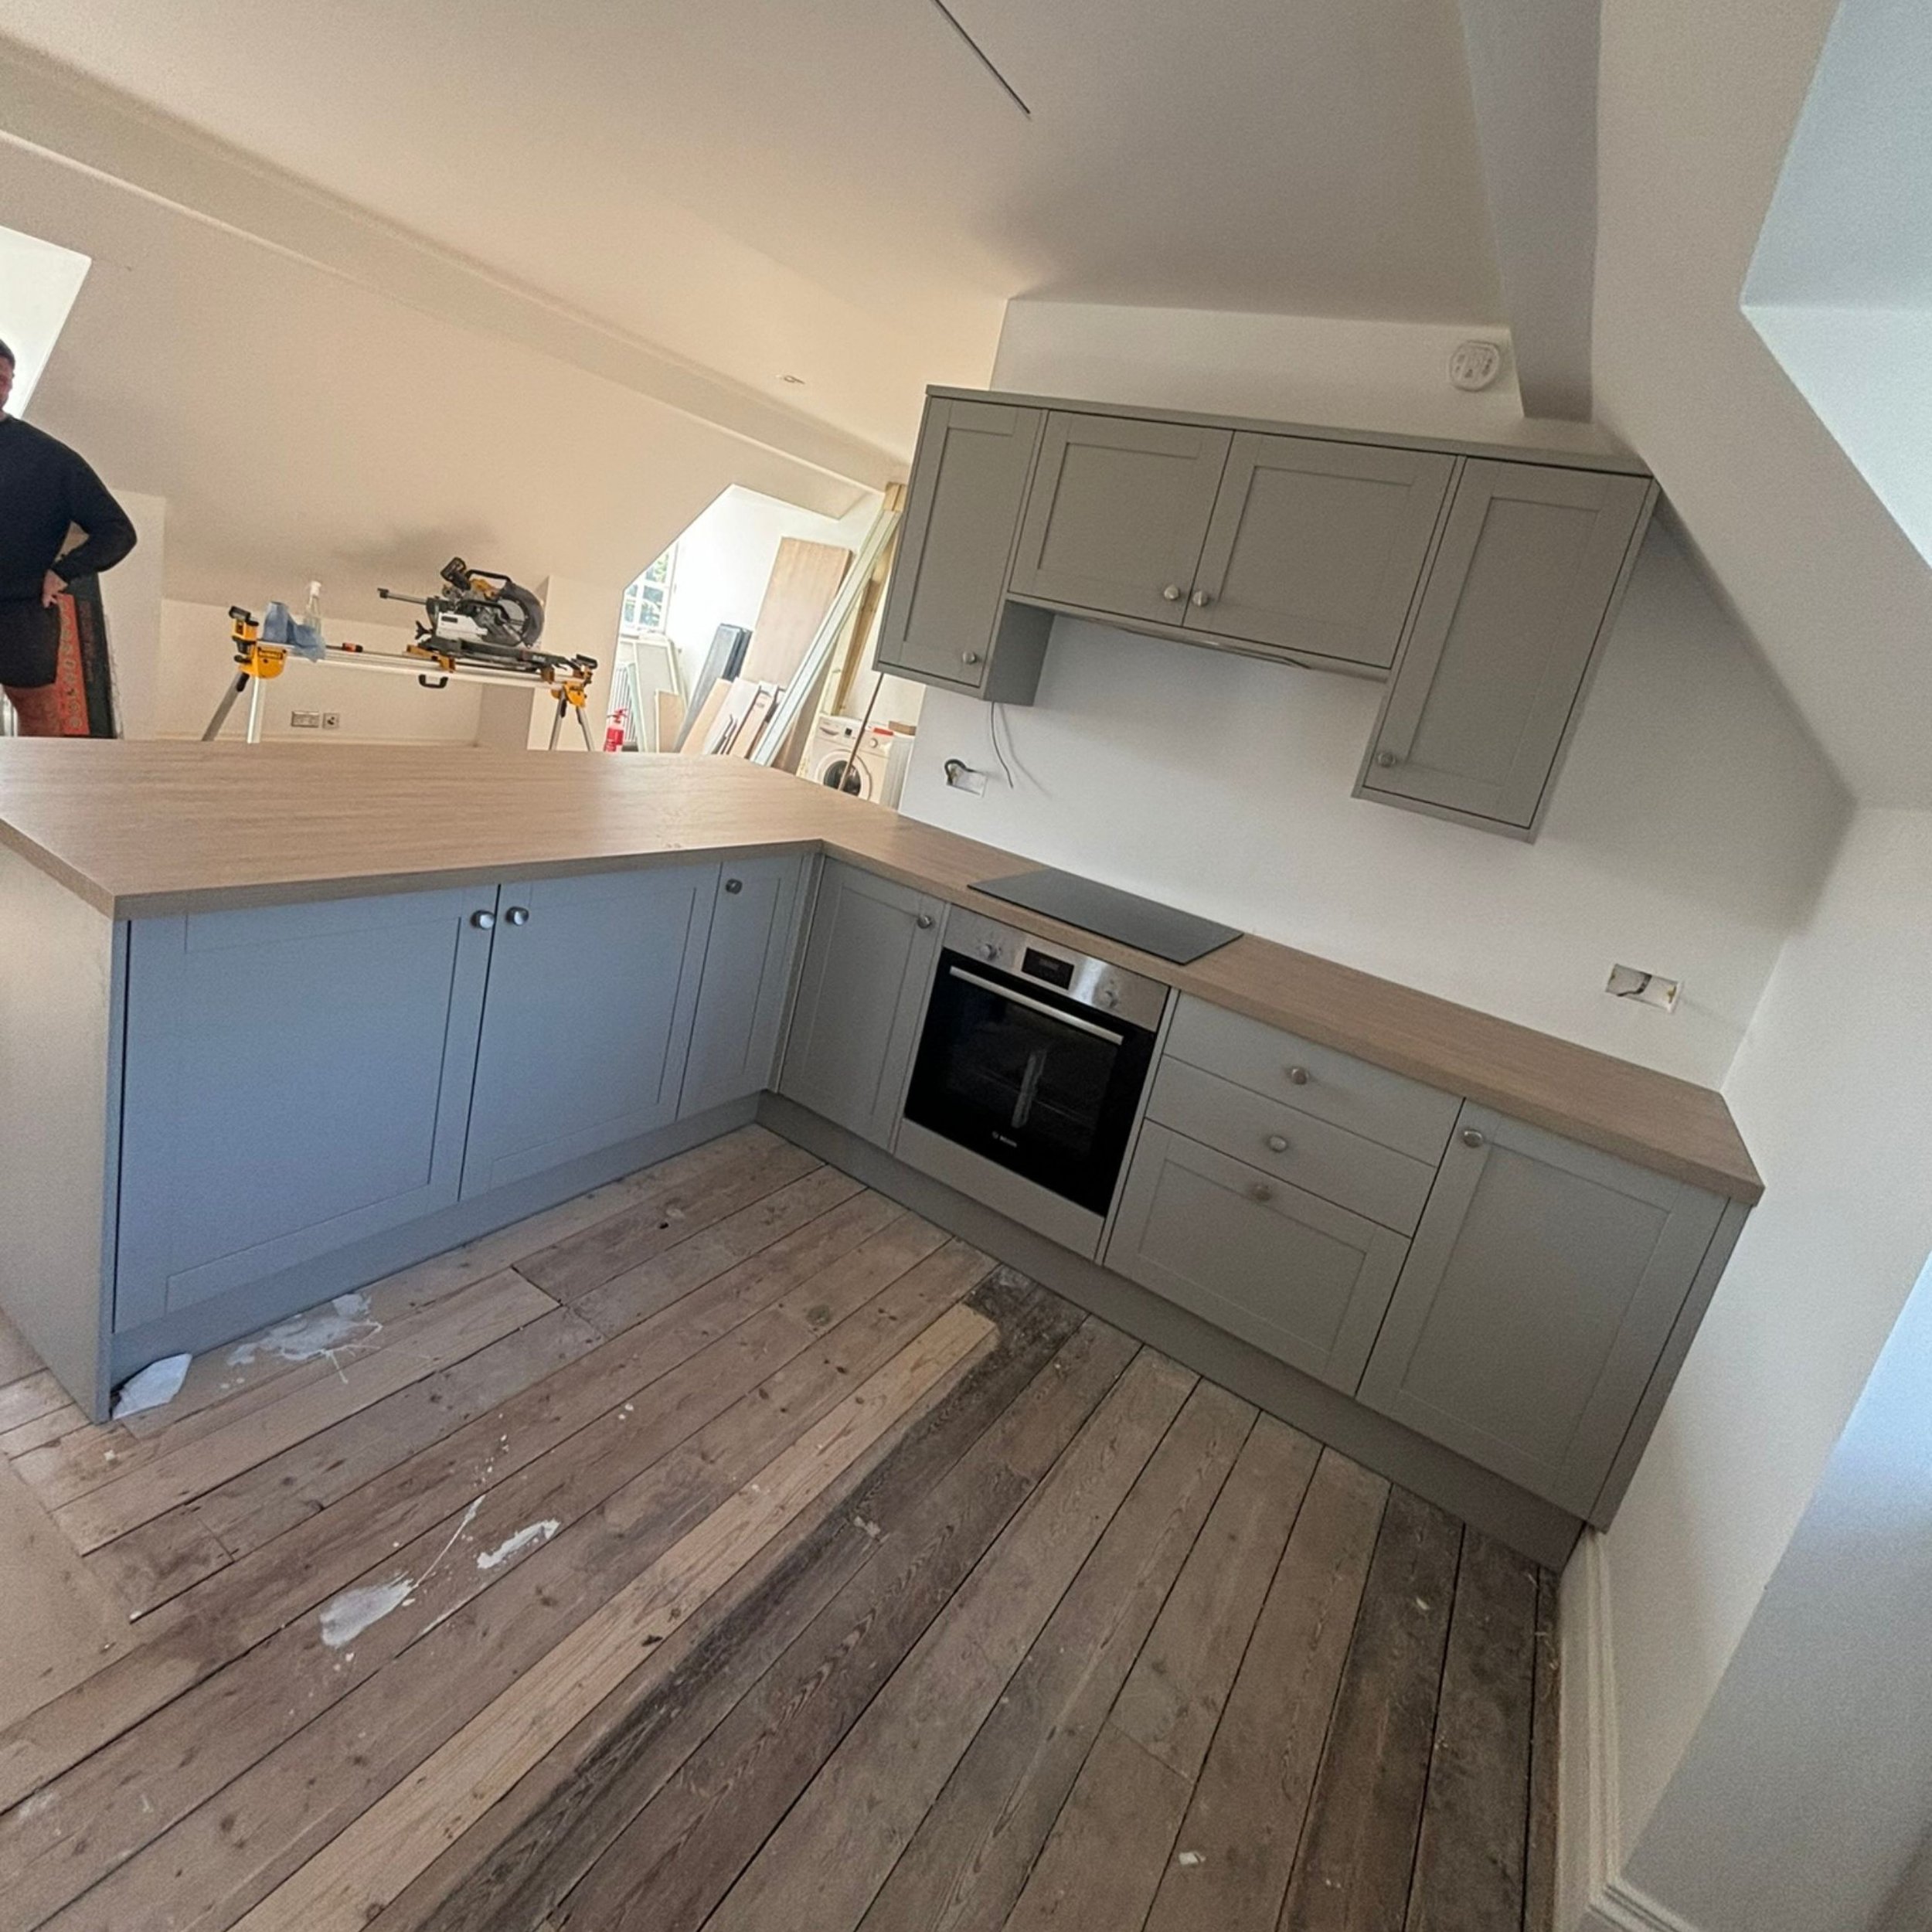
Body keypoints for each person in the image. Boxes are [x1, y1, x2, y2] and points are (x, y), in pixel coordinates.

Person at [0, 338, 138, 736]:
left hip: (20, 610)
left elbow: (118, 531)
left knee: (38, 712)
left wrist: (64, 572)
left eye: (3, 379)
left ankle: (43, 782)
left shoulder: (49, 459)